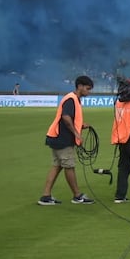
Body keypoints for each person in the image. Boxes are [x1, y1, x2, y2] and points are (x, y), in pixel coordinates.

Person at [38, 76, 96, 205]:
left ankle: (46, 196)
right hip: (62, 138)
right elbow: (65, 118)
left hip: (55, 136)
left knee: (57, 166)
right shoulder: (71, 99)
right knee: (69, 166)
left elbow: (70, 119)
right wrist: (76, 133)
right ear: (80, 86)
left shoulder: (73, 99)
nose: (89, 92)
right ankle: (77, 195)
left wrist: (80, 126)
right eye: (87, 89)